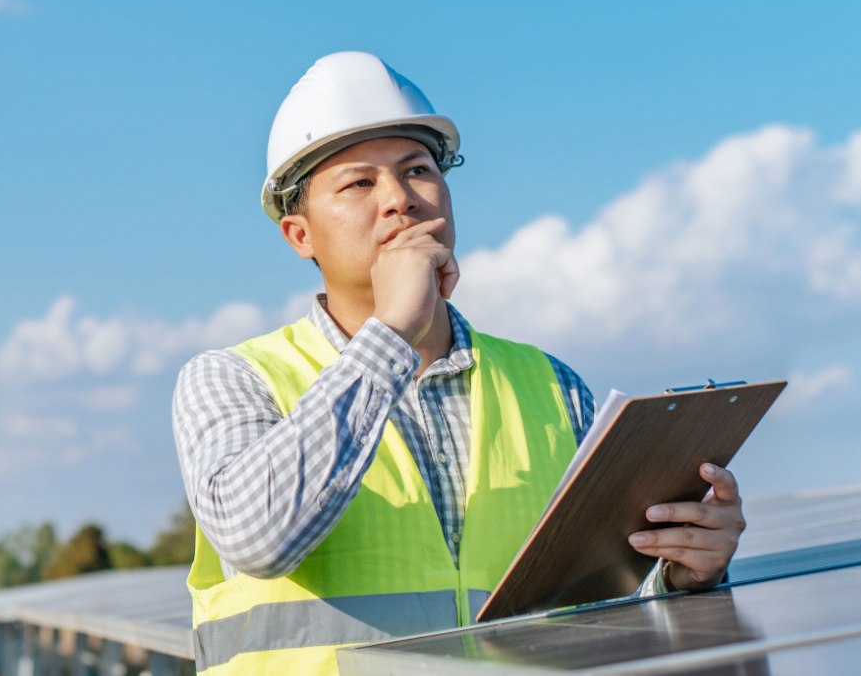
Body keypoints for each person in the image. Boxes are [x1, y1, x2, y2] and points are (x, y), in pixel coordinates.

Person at [171, 52, 746, 676]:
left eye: (417, 170)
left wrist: (682, 574)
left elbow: (603, 605)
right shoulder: (231, 379)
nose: (399, 200)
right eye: (359, 182)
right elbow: (261, 539)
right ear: (299, 236)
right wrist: (392, 332)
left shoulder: (551, 384)